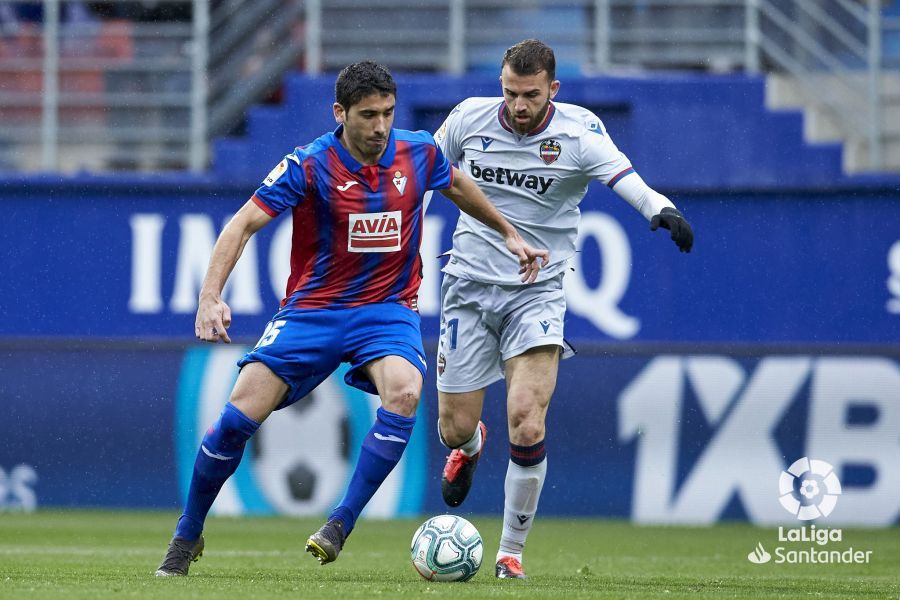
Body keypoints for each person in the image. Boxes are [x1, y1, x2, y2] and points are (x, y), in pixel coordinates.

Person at [155, 60, 548, 577]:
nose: (380, 126)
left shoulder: (418, 151)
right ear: (339, 113)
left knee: (406, 391)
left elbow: (456, 184)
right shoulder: (309, 164)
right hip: (314, 311)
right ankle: (187, 534)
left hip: (387, 310)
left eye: (387, 113)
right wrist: (210, 296)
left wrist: (507, 232)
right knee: (236, 419)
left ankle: (340, 523)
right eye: (367, 115)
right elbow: (242, 223)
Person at [431, 39, 694, 579]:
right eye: (510, 93)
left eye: (530, 95)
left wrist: (660, 209)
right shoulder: (467, 118)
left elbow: (624, 175)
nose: (518, 106)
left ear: (554, 88)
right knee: (454, 428)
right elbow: (422, 172)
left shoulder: (578, 131)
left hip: (539, 290)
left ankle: (510, 553)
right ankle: (472, 444)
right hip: (467, 285)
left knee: (527, 419)